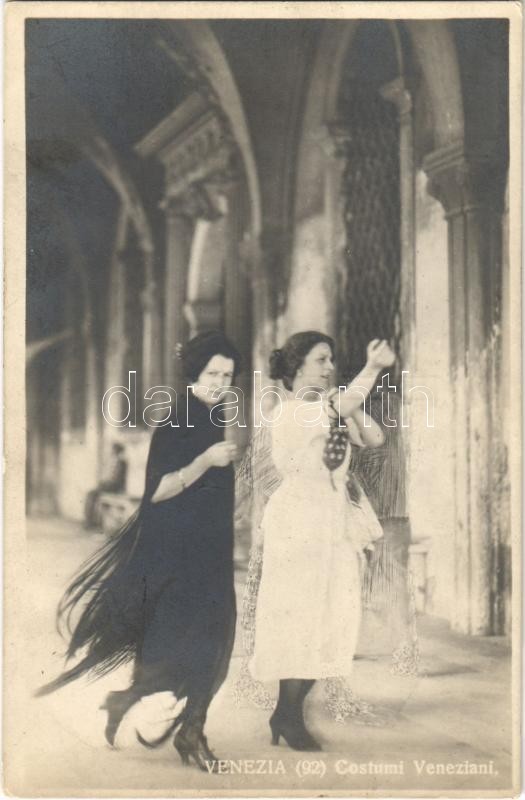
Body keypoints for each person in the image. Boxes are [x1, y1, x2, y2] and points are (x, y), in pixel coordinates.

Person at [37, 331, 241, 771]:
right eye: (213, 374)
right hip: (181, 551)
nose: (220, 383)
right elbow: (157, 491)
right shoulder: (176, 420)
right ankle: (187, 732)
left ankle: (152, 712)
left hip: (212, 546)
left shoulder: (215, 414)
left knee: (215, 637)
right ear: (194, 374)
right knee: (200, 639)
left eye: (227, 376)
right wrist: (205, 462)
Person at [247, 332, 395, 751]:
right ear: (297, 367)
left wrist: (348, 407)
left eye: (331, 360)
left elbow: (374, 438)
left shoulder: (328, 409)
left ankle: (286, 713)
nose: (330, 367)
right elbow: (338, 408)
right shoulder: (290, 412)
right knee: (301, 616)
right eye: (321, 360)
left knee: (333, 616)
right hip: (299, 520)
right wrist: (373, 368)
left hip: (333, 519)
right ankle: (289, 715)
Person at [84, 442, 128, 529]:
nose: (111, 451)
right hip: (111, 485)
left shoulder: (121, 462)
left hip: (115, 487)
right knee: (92, 495)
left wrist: (105, 483)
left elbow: (116, 479)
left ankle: (90, 522)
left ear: (117, 451)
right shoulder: (115, 461)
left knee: (91, 494)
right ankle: (91, 521)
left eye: (113, 449)